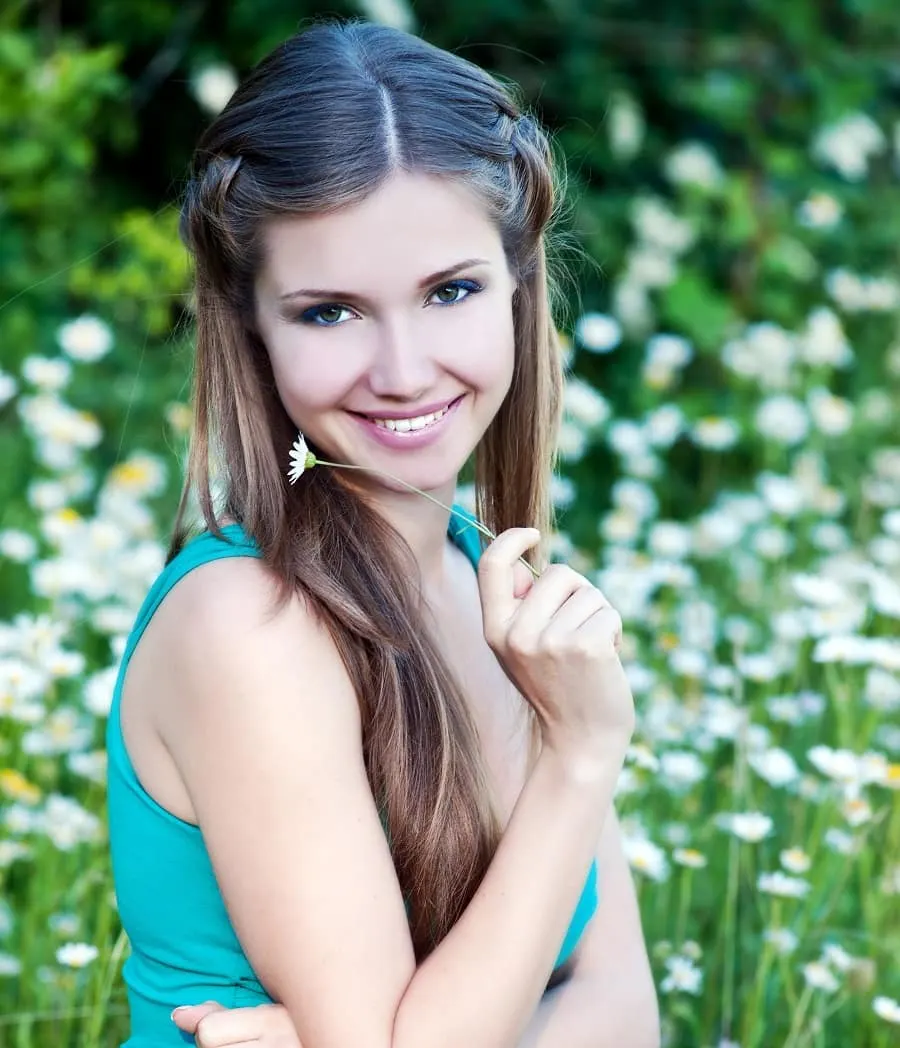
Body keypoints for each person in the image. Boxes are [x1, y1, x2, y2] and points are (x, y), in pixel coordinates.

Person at [105, 16, 659, 1048]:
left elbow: (622, 1008)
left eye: (450, 292)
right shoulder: (250, 624)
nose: (403, 370)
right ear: (251, 322)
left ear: (517, 285)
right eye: (330, 312)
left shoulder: (496, 587)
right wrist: (581, 753)